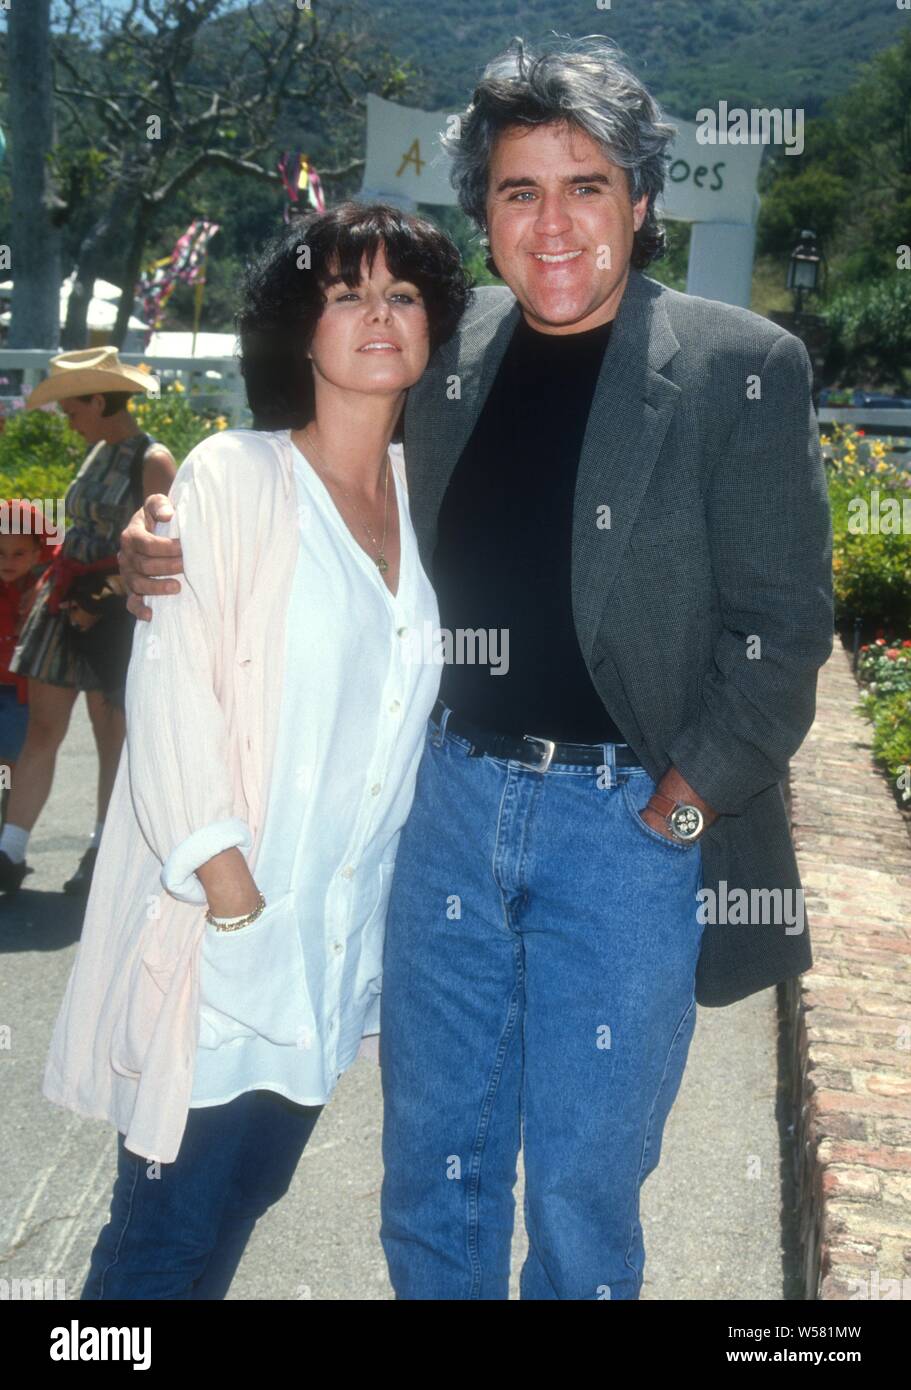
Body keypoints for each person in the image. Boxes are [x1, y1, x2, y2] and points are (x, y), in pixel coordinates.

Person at [118, 37, 834, 1301]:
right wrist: (163, 523)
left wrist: (677, 806)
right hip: (445, 810)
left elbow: (781, 631)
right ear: (485, 214)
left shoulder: (739, 368)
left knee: (578, 1187)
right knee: (432, 1174)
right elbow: (313, 451)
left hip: (627, 825)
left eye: (585, 186)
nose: (551, 224)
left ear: (642, 199)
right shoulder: (450, 350)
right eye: (517, 191)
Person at [42, 203, 468, 1299]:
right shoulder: (237, 477)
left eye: (404, 294)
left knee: (238, 1208)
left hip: (329, 959)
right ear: (298, 328)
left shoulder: (425, 501)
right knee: (160, 1239)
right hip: (224, 941)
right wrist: (230, 891)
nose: (379, 313)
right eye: (345, 293)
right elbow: (172, 686)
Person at [1, 350, 176, 897]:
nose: (67, 420)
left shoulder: (152, 459)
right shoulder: (97, 449)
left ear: (99, 401)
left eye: (72, 408)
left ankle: (103, 851)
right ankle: (9, 850)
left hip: (111, 616)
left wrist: (99, 598)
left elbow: (163, 546)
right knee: (42, 732)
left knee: (112, 739)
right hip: (63, 604)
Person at [0, 501, 56, 829]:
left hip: (21, 695)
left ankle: (9, 826)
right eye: (1, 553)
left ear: (37, 555)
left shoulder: (42, 590)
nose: (8, 562)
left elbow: (59, 547)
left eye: (19, 553)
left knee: (12, 763)